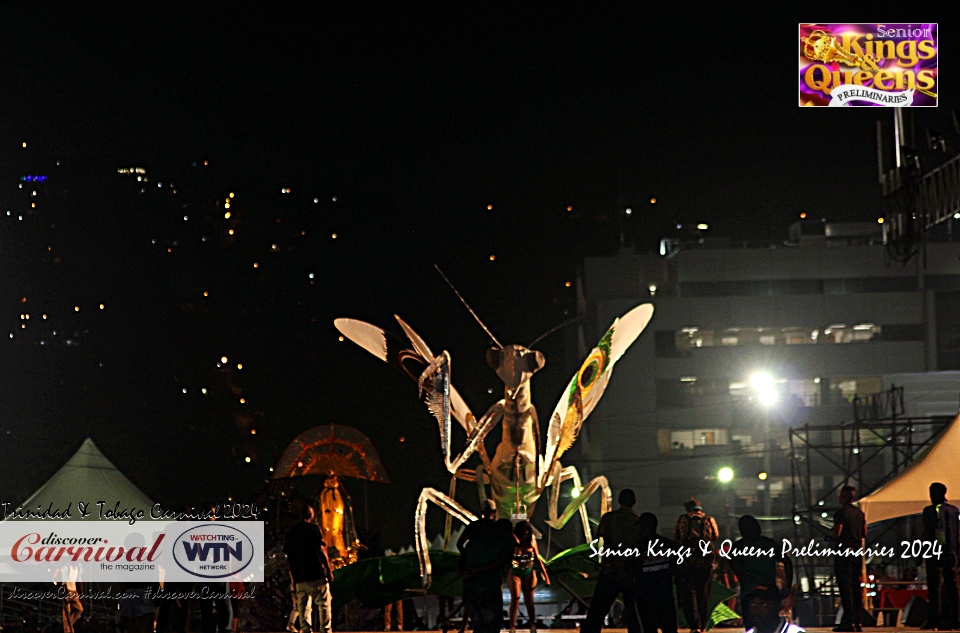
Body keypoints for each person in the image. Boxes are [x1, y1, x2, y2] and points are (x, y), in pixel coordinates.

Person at [583, 489, 641, 633]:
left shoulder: (608, 518)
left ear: (619, 501)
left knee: (597, 611)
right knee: (634, 612)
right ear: (634, 502)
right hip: (630, 572)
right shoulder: (637, 521)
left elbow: (603, 541)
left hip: (610, 570)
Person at [730, 515, 793, 632]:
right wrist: (788, 585)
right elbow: (787, 563)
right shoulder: (768, 544)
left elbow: (732, 563)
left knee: (752, 624)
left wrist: (742, 576)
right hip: (768, 590)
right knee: (769, 623)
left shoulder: (739, 546)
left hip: (749, 592)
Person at [458, 514, 515, 633]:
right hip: (489, 587)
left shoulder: (473, 544)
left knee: (479, 625)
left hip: (470, 589)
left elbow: (461, 553)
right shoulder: (505, 542)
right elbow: (502, 561)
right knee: (491, 624)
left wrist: (470, 570)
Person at [283, 505, 334, 633]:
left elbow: (289, 558)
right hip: (315, 572)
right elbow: (321, 550)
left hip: (299, 575)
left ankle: (306, 630)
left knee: (303, 606)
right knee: (324, 604)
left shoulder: (292, 532)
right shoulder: (313, 529)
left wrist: (293, 578)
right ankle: (325, 630)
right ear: (311, 515)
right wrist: (328, 570)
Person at [673, 498, 720, 633]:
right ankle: (703, 626)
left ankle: (694, 625)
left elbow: (676, 536)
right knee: (703, 593)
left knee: (689, 593)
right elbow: (715, 536)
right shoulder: (709, 520)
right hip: (705, 561)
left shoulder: (683, 519)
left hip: (687, 559)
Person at [922, 482, 960, 630]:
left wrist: (922, 552)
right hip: (951, 551)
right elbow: (957, 532)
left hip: (934, 552)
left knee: (934, 586)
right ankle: (955, 618)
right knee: (952, 586)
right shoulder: (953, 511)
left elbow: (926, 533)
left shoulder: (929, 511)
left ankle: (935, 619)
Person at [633, 512, 679, 633]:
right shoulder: (669, 545)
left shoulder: (636, 548)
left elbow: (629, 570)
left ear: (642, 527)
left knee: (649, 629)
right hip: (665, 595)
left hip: (645, 597)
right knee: (669, 628)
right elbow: (679, 565)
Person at [830, 485, 865, 633]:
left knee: (845, 587)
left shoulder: (842, 512)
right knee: (856, 586)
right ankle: (857, 620)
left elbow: (837, 532)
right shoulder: (859, 513)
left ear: (843, 497)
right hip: (857, 551)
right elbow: (864, 532)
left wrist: (830, 536)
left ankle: (848, 621)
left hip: (844, 552)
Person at [507, 520, 550, 633]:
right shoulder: (513, 541)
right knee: (515, 598)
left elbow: (538, 558)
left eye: (526, 531)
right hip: (515, 571)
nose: (525, 534)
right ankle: (512, 626)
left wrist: (546, 576)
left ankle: (532, 624)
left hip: (529, 571)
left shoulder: (532, 541)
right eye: (523, 532)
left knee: (529, 601)